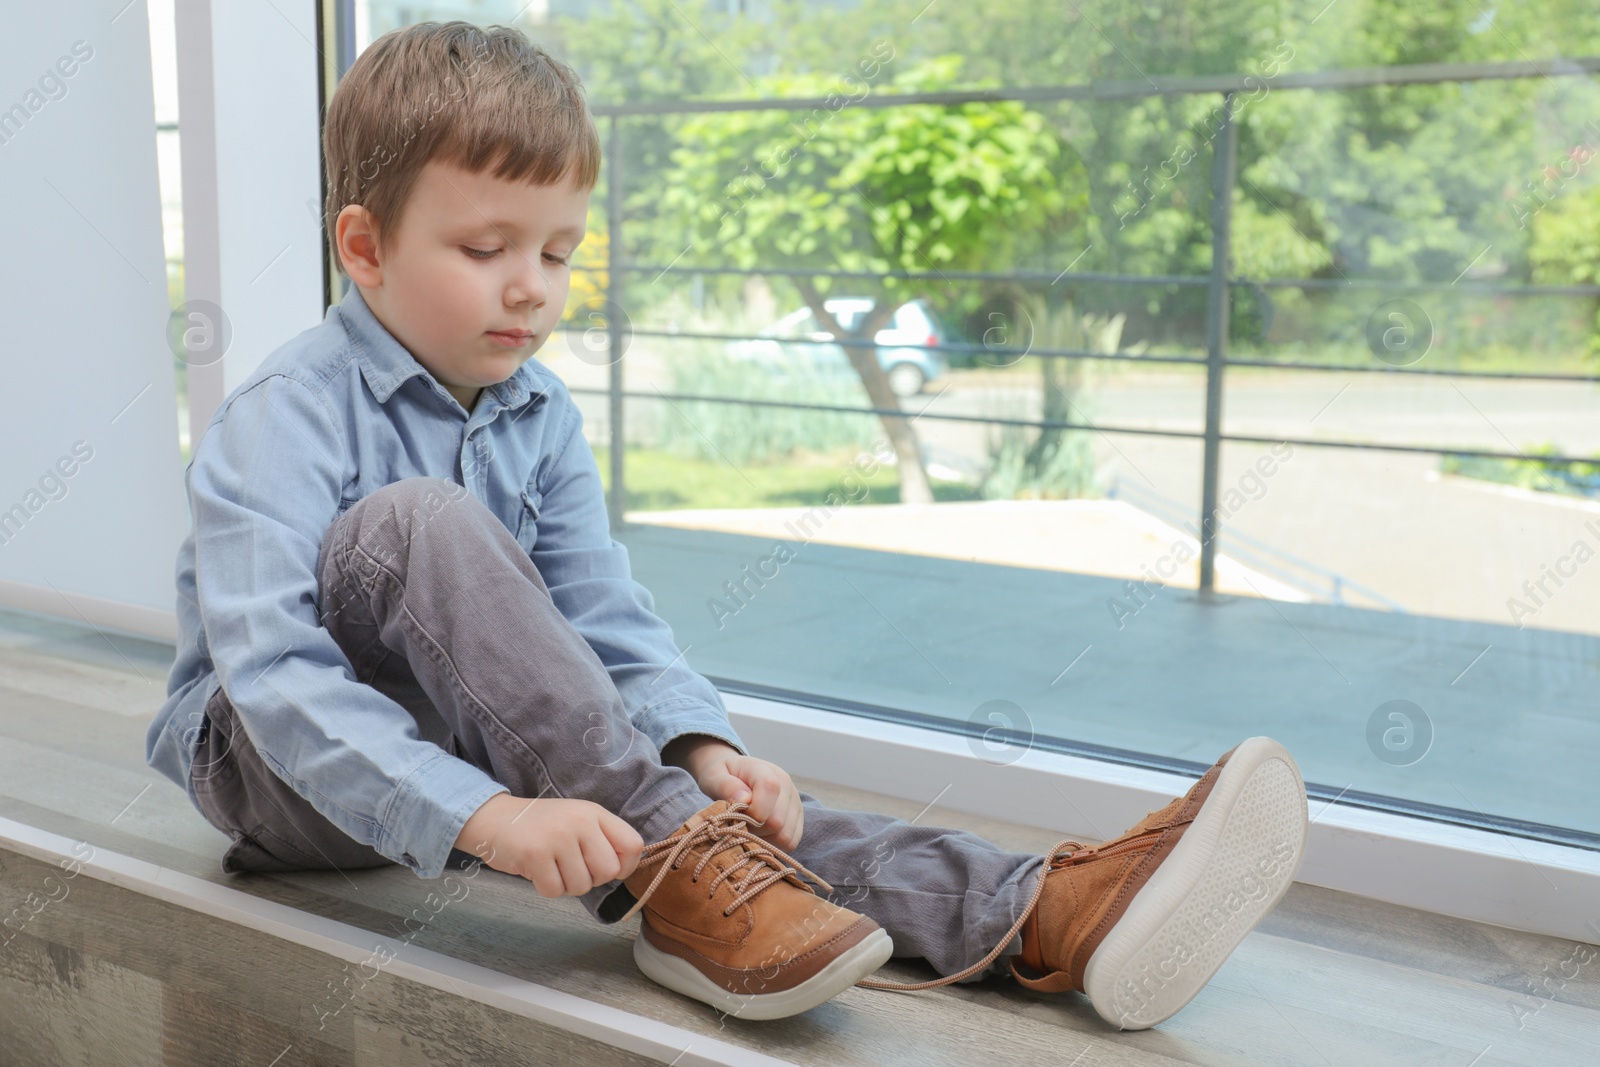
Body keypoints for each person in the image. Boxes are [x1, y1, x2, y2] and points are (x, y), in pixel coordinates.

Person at [145, 20, 1309, 1029]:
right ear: (364, 246)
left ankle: (1036, 912)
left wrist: (701, 749)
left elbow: (601, 614)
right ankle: (680, 873)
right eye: (485, 249)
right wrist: (486, 814)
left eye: (558, 252)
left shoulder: (539, 414)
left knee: (713, 816)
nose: (531, 288)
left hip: (459, 740)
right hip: (273, 772)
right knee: (416, 523)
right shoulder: (284, 414)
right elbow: (276, 681)